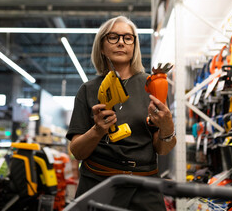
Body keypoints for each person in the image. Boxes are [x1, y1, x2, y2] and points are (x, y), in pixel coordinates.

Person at [66, 15, 176, 210]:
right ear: (101, 46)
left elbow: (163, 148)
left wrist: (167, 127)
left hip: (144, 187)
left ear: (134, 46)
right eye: (113, 37)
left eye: (128, 38)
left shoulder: (152, 85)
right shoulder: (88, 90)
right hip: (98, 185)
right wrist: (97, 130)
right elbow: (77, 151)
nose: (121, 43)